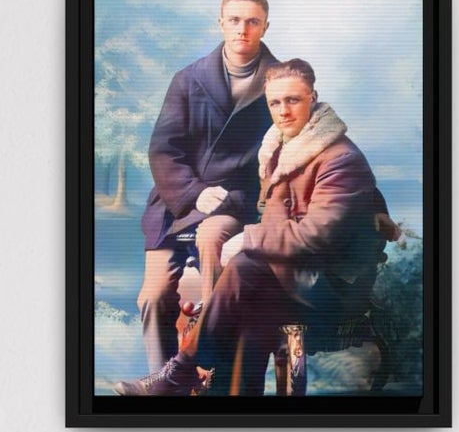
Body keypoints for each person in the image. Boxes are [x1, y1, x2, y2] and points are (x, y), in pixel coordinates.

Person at [118, 58, 389, 396]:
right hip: (295, 276)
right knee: (246, 311)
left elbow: (315, 237)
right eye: (275, 102)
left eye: (293, 100)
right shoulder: (279, 148)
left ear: (313, 98)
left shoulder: (339, 158)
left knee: (245, 267)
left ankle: (181, 372)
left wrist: (248, 238)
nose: (283, 111)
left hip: (334, 286)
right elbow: (278, 226)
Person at [132, 0, 279, 372]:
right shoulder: (189, 79)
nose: (242, 30)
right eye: (234, 20)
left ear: (265, 26)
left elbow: (317, 141)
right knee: (152, 296)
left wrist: (372, 204)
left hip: (235, 201)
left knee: (211, 236)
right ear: (220, 23)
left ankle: (213, 363)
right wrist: (194, 193)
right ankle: (163, 383)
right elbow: (163, 149)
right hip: (175, 202)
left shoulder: (280, 84)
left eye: (252, 21)